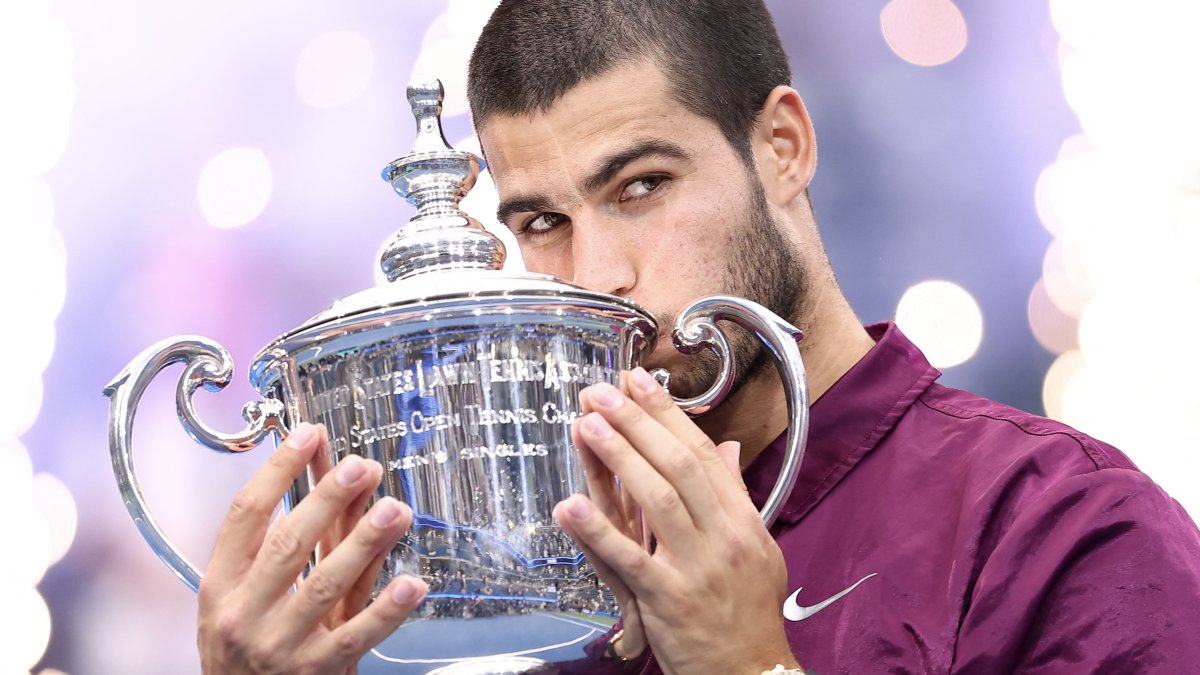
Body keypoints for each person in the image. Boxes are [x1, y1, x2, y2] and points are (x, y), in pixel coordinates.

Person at [196, 1, 1200, 673]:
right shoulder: (528, 581)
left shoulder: (1062, 530)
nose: (596, 277)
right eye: (542, 222)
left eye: (640, 186)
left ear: (783, 149)